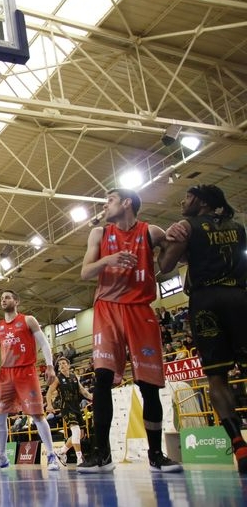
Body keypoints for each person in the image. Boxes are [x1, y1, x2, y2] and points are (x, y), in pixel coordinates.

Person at [78, 188, 182, 473]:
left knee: (148, 385)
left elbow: (173, 259)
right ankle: (102, 453)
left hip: (140, 309)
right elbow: (85, 272)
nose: (105, 205)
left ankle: (156, 455)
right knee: (101, 378)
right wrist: (108, 261)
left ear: (126, 203)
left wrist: (180, 235)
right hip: (107, 308)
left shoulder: (152, 232)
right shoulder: (99, 234)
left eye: (109, 200)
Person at [159, 184, 247, 473]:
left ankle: (239, 446)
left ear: (198, 200)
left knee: (217, 377)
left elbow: (166, 265)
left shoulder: (188, 226)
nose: (182, 202)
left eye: (186, 197)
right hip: (239, 297)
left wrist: (165, 242)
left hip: (206, 301)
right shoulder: (238, 227)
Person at [0, 289, 60, 471]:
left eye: (7, 297)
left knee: (37, 415)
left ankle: (51, 455)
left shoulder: (28, 320)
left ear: (16, 301)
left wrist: (50, 366)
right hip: (6, 375)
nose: (3, 300)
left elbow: (43, 343)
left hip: (26, 372)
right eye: (2, 298)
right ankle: (2, 456)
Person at [46, 356, 94, 465]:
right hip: (66, 407)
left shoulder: (74, 377)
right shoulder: (57, 378)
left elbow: (83, 391)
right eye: (60, 364)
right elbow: (49, 392)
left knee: (80, 434)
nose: (62, 365)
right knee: (76, 431)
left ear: (68, 365)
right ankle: (80, 459)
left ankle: (62, 452)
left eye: (64, 363)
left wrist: (92, 397)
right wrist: (49, 405)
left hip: (76, 407)